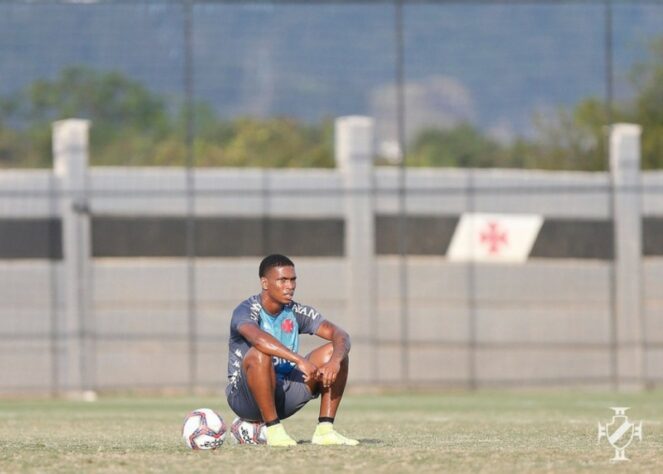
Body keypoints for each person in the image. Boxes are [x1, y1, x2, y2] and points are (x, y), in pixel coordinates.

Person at [225, 254, 359, 447]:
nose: (290, 286)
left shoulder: (296, 311)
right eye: (283, 280)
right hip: (245, 398)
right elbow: (258, 339)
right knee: (260, 353)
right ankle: (274, 431)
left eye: (293, 279)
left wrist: (334, 362)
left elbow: (341, 335)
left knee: (336, 351)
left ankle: (325, 430)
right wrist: (299, 360)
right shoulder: (246, 310)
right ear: (265, 283)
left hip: (285, 393)